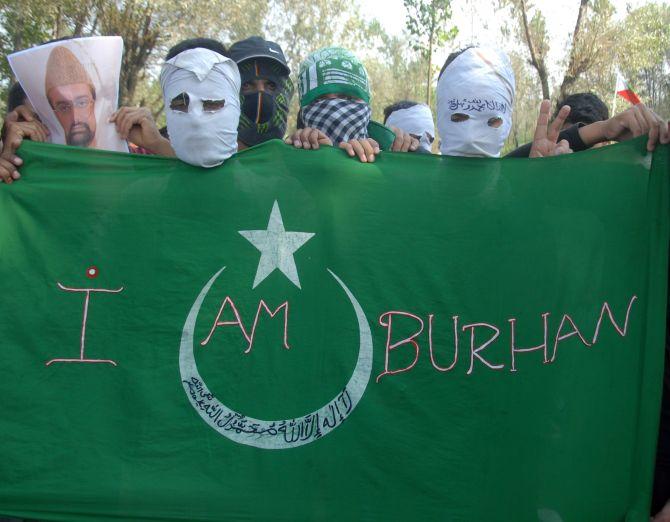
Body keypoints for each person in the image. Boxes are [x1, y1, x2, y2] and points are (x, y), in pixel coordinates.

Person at [287, 46, 418, 162]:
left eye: (346, 97)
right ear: (303, 110)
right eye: (319, 99)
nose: (334, 108)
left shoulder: (390, 151)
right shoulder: (290, 157)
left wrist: (397, 151)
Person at [229, 36, 293, 150]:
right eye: (246, 85)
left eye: (271, 85)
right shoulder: (207, 161)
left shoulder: (296, 159)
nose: (261, 95)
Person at [44, 45, 98, 147]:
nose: (75, 118)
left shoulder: (129, 151)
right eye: (64, 108)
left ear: (94, 104)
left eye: (82, 103)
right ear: (55, 115)